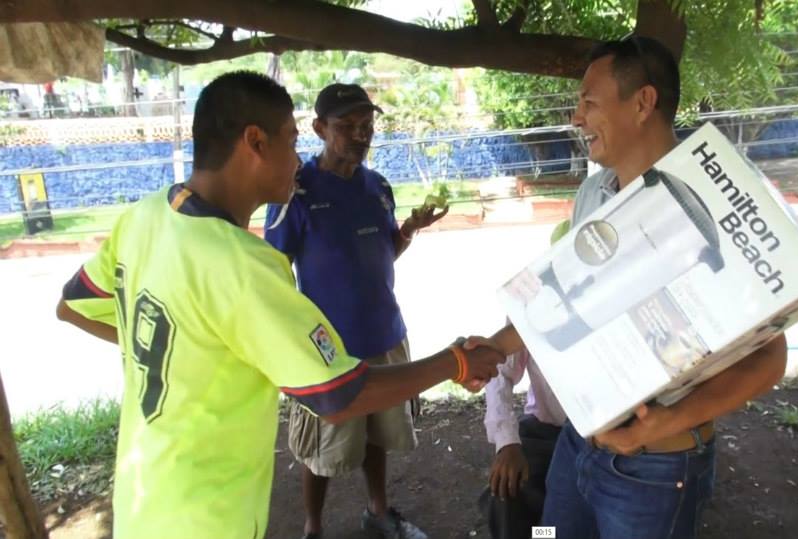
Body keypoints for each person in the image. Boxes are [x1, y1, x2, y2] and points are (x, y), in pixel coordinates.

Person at [54, 71, 504, 539]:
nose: (296, 159)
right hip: (210, 519)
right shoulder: (244, 264)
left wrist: (191, 350)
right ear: (256, 142)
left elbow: (75, 307)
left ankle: (378, 510)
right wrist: (455, 361)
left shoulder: (143, 218)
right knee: (326, 451)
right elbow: (338, 395)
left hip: (143, 503)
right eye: (291, 141)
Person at [468, 37, 788, 539]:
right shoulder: (595, 191)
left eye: (589, 102)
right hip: (577, 444)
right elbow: (567, 293)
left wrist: (660, 425)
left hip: (656, 470)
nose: (576, 118)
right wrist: (493, 349)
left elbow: (768, 360)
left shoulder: (718, 201)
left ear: (642, 103)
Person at [264, 83, 445, 539]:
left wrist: (408, 230)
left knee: (379, 435)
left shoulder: (377, 186)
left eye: (367, 126)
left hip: (384, 334)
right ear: (320, 129)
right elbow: (272, 271)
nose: (360, 135)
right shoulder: (296, 194)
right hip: (328, 349)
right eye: (346, 127)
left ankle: (379, 513)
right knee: (321, 449)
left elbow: (385, 252)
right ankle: (313, 528)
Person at [479, 220, 569, 539]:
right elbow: (500, 373)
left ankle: (552, 533)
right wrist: (507, 443)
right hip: (547, 429)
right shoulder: (534, 305)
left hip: (611, 437)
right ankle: (539, 536)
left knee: (571, 510)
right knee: (508, 494)